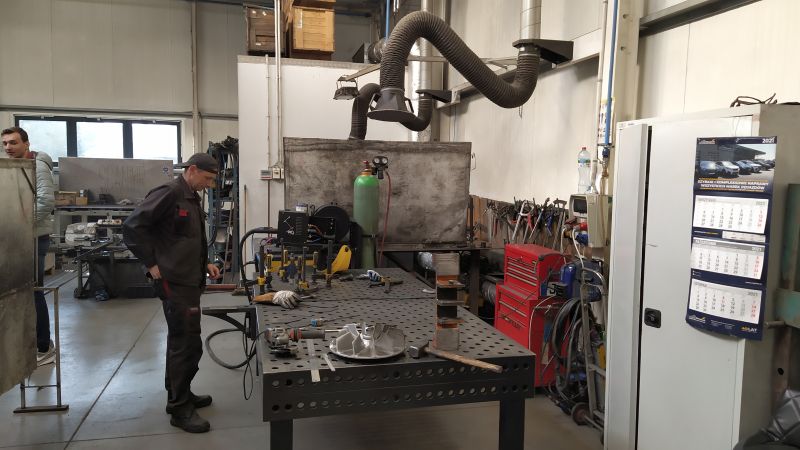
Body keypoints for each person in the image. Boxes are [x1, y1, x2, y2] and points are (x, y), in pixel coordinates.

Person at [122, 153, 221, 434]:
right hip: (174, 280)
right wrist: (151, 263)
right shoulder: (169, 193)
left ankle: (179, 394)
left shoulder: (190, 196)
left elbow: (186, 238)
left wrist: (205, 263)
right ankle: (180, 409)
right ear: (192, 169)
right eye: (207, 178)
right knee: (186, 343)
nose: (209, 185)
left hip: (188, 278)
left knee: (182, 340)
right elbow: (132, 227)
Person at [2, 127, 56, 366]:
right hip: (17, 236)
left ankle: (44, 347)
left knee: (34, 291)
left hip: (33, 237)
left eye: (13, 142)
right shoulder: (14, 167)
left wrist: (20, 223)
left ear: (26, 144)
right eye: (5, 143)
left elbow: (45, 201)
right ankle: (27, 343)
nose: (8, 147)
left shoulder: (38, 165)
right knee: (19, 292)